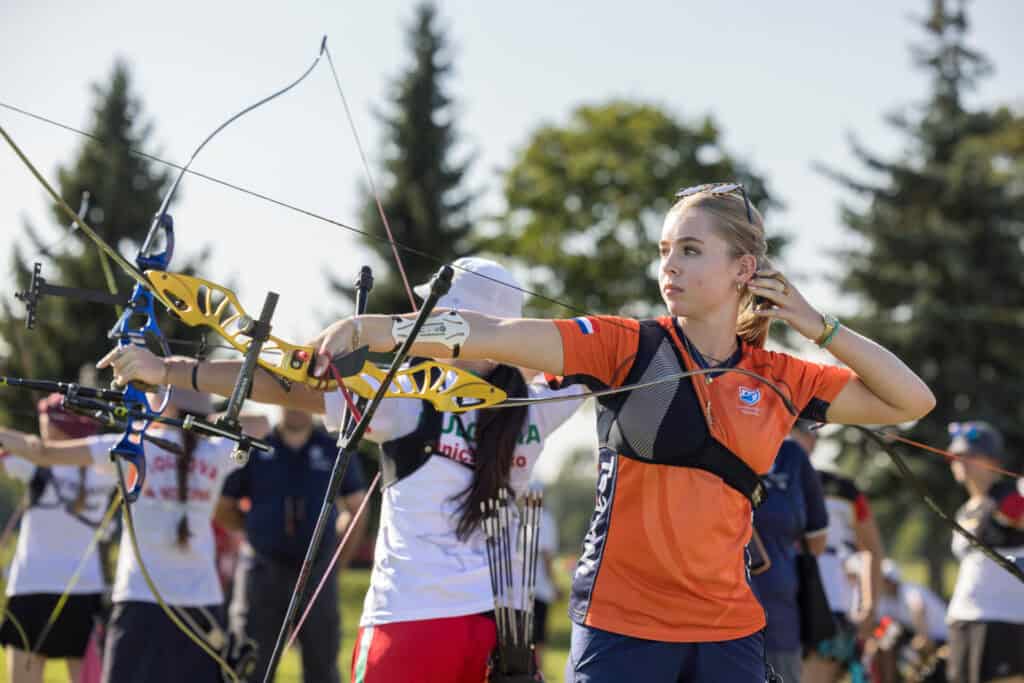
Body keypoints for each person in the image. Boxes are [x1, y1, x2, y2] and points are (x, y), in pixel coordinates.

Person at [298, 182, 935, 682]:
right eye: (665, 252)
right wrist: (373, 331)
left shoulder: (779, 376)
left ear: (745, 268)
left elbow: (910, 399)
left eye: (690, 250)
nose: (670, 267)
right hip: (622, 630)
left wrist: (815, 322)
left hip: (730, 632)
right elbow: (489, 334)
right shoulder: (626, 345)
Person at [98, 256, 586, 683]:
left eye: (434, 313)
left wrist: (167, 371)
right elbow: (594, 354)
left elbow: (282, 386)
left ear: (460, 322)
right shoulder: (540, 404)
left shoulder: (405, 400)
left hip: (410, 623)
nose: (418, 319)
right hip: (495, 633)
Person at [0, 389, 268, 683]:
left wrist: (179, 421)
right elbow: (261, 423)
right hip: (201, 605)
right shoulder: (215, 451)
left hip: (140, 601)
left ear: (165, 406)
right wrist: (200, 421)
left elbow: (43, 452)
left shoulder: (132, 445)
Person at [216, 407, 368, 683]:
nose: (298, 406)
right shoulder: (257, 444)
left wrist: (337, 561)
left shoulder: (335, 446)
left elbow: (357, 507)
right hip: (261, 572)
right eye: (290, 398)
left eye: (304, 398)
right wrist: (254, 529)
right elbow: (224, 505)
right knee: (249, 664)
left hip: (315, 573)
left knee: (322, 666)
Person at [0, 394, 115, 683]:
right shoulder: (105, 468)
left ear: (54, 426)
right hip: (84, 591)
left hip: (31, 587)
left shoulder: (32, 463)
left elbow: (25, 450)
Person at [802, 421, 885, 683]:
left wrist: (869, 608)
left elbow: (871, 548)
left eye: (800, 431)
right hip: (771, 600)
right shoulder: (752, 477)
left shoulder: (843, 489)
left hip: (828, 605)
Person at [944, 421, 1024, 683]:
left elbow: (1016, 512)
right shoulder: (965, 510)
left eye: (971, 455)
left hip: (1004, 622)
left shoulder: (1009, 497)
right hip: (962, 620)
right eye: (958, 454)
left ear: (995, 463)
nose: (961, 460)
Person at [750, 422, 830, 683]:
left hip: (779, 614)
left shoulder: (792, 455)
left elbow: (816, 540)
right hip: (710, 614)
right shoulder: (710, 440)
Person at [873, 558, 948, 683]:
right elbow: (884, 624)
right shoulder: (886, 599)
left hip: (941, 638)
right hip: (922, 637)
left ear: (890, 581)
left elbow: (918, 610)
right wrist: (875, 640)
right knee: (885, 643)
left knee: (916, 656)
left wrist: (922, 637)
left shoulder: (909, 590)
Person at [530, 493, 564, 669]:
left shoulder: (527, 518)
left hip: (528, 588)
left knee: (532, 636)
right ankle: (537, 672)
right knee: (538, 637)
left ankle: (535, 672)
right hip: (540, 589)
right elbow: (547, 555)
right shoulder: (544, 519)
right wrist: (555, 585)